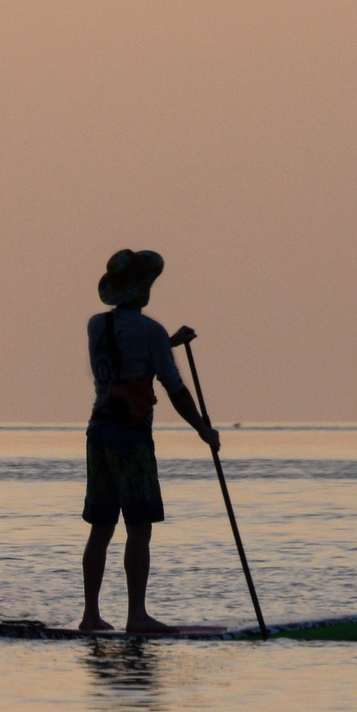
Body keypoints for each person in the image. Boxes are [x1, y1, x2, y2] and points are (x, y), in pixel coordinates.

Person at [81, 249, 220, 634]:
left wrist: (168, 343)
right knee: (139, 526)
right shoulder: (150, 331)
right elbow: (174, 388)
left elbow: (130, 358)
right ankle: (136, 616)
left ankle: (90, 616)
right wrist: (202, 429)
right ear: (140, 290)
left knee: (102, 526)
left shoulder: (96, 325)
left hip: (98, 431)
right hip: (131, 435)